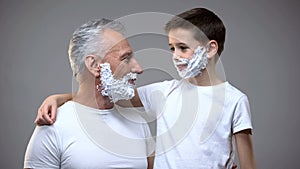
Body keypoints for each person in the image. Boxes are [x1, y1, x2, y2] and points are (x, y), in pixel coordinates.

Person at [35, 8, 256, 169]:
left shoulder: (234, 100)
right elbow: (108, 93)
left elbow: (248, 164)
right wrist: (60, 98)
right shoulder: (163, 93)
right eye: (171, 48)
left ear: (210, 49)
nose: (176, 56)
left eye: (183, 48)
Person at [24, 18, 155, 169]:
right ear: (94, 65)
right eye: (126, 58)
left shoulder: (138, 122)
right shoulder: (53, 125)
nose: (138, 68)